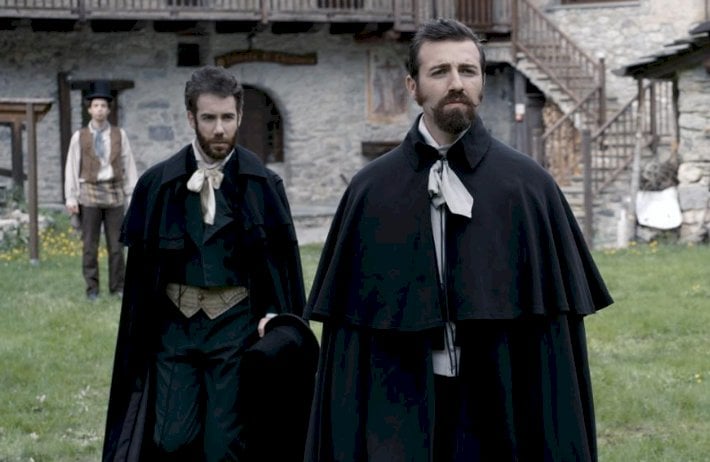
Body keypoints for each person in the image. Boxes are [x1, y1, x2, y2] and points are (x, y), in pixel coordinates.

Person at [304, 18, 614, 462]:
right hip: (396, 400)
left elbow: (555, 343)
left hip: (502, 398)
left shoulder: (528, 187)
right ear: (412, 86)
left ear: (482, 81)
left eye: (468, 71)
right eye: (440, 71)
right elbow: (348, 345)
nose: (456, 84)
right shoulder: (371, 191)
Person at [102, 66, 310, 461]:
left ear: (239, 116)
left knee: (223, 446)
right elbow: (142, 274)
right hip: (174, 329)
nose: (219, 129)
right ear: (191, 118)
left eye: (227, 118)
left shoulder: (262, 185)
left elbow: (281, 266)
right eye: (209, 118)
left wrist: (277, 316)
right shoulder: (158, 184)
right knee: (170, 439)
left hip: (235, 328)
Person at [64, 80, 138, 300]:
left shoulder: (119, 135)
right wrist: (71, 196)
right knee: (90, 246)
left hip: (114, 195)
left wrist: (132, 195)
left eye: (103, 106)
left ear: (108, 109)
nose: (99, 109)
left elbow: (128, 164)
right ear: (89, 109)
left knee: (116, 246)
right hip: (89, 195)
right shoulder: (79, 136)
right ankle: (92, 290)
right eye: (95, 105)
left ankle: (118, 288)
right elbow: (72, 166)